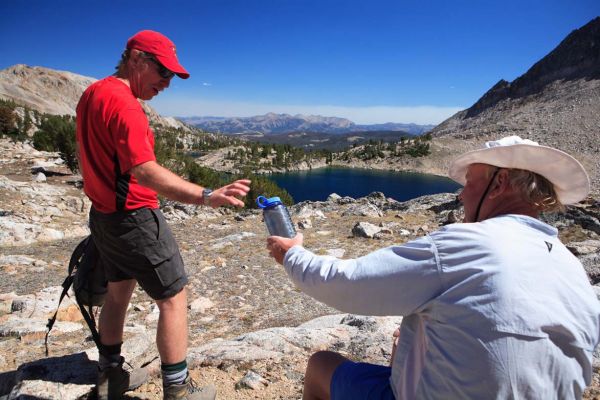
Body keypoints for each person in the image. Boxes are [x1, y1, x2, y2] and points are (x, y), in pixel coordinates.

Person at [267, 136, 600, 399]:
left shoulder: (469, 243)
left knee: (321, 367)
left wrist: (292, 254)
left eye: (469, 182)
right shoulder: (573, 269)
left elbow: (346, 283)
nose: (461, 196)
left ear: (497, 185)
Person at [76, 30, 251, 400]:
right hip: (134, 217)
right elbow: (145, 171)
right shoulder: (125, 104)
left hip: (104, 217)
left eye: (172, 76)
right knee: (173, 298)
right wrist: (206, 195)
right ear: (137, 59)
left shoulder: (93, 93)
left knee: (118, 291)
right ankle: (178, 389)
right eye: (164, 73)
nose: (167, 83)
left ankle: (110, 375)